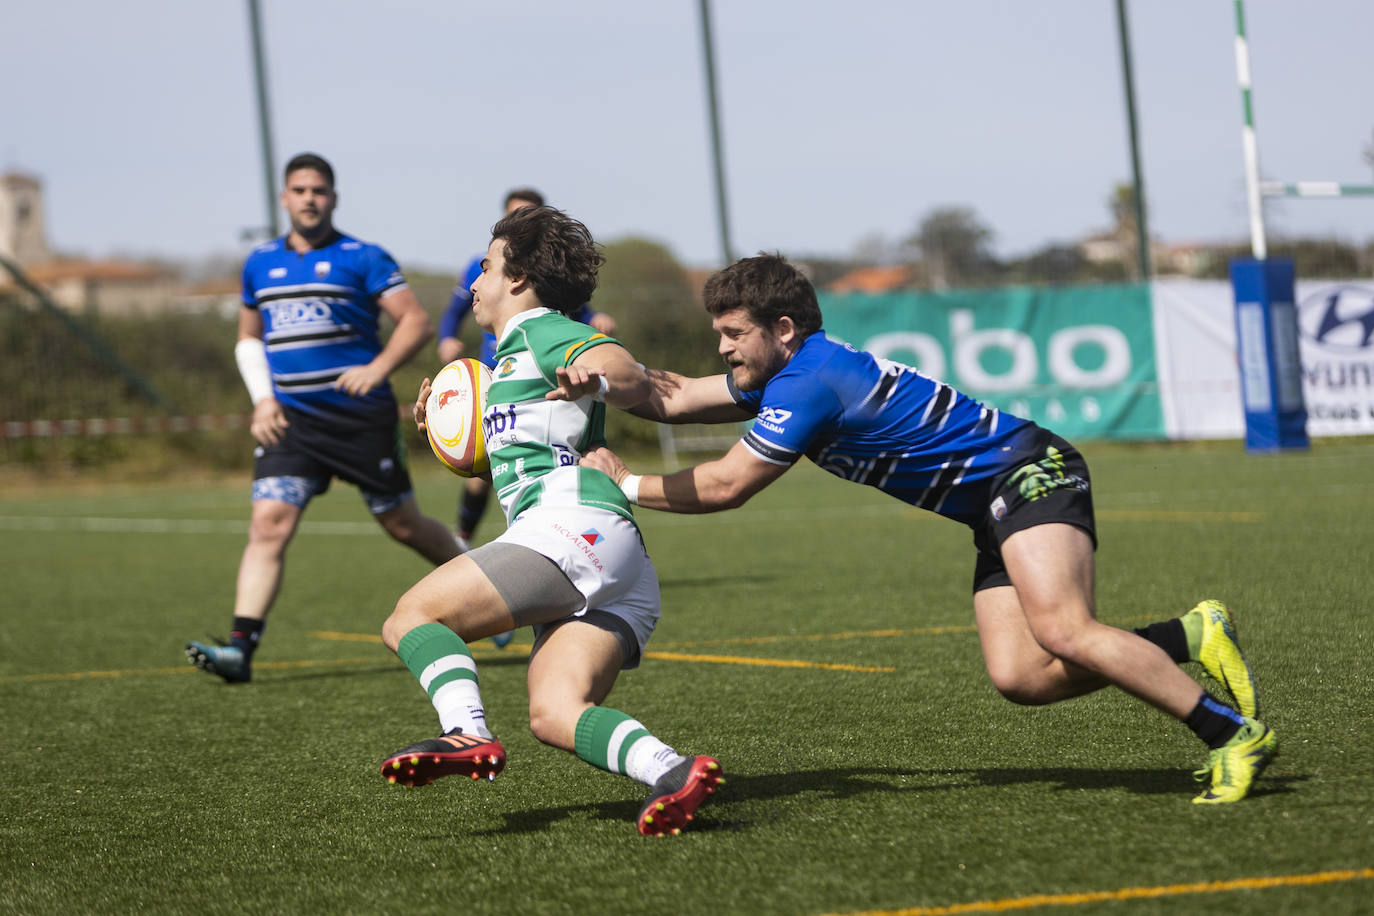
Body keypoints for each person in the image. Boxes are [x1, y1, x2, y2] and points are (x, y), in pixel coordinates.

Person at [569, 253, 1276, 806]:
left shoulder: (808, 381)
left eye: (732, 334)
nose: (720, 348)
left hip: (1029, 473)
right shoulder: (786, 372)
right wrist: (592, 374)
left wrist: (621, 483)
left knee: (1063, 630)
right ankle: (1191, 635)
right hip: (990, 504)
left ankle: (1231, 735)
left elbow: (726, 485)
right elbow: (678, 394)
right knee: (1023, 677)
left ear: (782, 330)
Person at [378, 205, 722, 837]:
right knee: (554, 712)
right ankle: (675, 772)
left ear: (517, 279)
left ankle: (466, 732)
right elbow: (513, 459)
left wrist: (601, 375)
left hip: (571, 528)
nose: (473, 282)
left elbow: (621, 367)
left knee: (411, 617)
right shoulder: (508, 361)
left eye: (484, 267)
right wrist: (447, 432)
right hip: (613, 559)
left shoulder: (542, 330)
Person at [186, 153, 461, 684]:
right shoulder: (260, 263)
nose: (309, 198)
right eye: (299, 189)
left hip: (360, 423)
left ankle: (485, 584)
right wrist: (263, 400)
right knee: (268, 524)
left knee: (403, 524)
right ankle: (240, 649)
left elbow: (416, 322)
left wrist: (377, 369)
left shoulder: (364, 257)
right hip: (291, 424)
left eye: (319, 190)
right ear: (284, 198)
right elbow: (248, 337)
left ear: (333, 198)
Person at [436, 187, 617, 552]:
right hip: (494, 369)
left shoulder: (545, 322)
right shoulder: (481, 266)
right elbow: (452, 313)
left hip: (541, 372)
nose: (477, 283)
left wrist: (605, 359)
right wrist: (446, 346)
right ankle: (468, 534)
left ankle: (562, 533)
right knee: (491, 459)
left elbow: (578, 317)